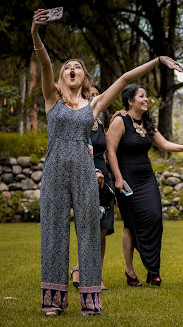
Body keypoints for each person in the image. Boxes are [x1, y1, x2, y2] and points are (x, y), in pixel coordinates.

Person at [32, 9, 182, 316]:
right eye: (67, 67)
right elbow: (44, 62)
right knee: (53, 232)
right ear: (62, 76)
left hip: (86, 172)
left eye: (78, 68)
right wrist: (35, 32)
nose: (71, 69)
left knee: (89, 233)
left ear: (85, 77)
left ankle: (90, 300)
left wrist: (158, 61)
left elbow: (126, 78)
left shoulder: (94, 104)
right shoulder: (51, 98)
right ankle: (54, 301)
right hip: (55, 171)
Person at [106, 84, 183, 288]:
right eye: (142, 96)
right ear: (130, 101)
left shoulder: (146, 122)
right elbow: (110, 152)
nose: (146, 99)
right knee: (131, 225)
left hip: (146, 178)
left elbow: (164, 144)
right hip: (127, 179)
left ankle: (153, 269)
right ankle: (130, 271)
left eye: (146, 96)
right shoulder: (120, 121)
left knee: (154, 219)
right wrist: (118, 178)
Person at [70, 86, 114, 292]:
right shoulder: (79, 121)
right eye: (91, 95)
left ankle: (91, 273)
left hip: (105, 178)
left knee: (103, 228)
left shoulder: (99, 122)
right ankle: (86, 273)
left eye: (97, 95)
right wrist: (92, 170)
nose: (95, 98)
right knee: (91, 228)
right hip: (88, 175)